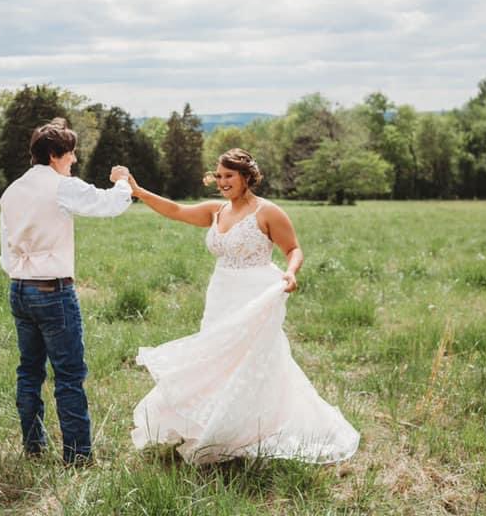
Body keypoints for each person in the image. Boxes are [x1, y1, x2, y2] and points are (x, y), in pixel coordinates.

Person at [128, 148, 359, 464]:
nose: (222, 182)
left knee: (252, 362)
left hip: (256, 295)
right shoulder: (215, 210)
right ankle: (214, 425)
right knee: (215, 359)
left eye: (229, 176)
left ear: (246, 177)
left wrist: (291, 273)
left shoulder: (268, 212)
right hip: (222, 293)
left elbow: (293, 249)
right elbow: (176, 210)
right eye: (219, 176)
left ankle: (253, 429)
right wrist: (138, 191)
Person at [0, 118, 133, 466]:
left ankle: (33, 446)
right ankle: (78, 458)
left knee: (29, 372)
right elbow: (108, 205)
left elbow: (6, 252)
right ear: (56, 154)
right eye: (71, 153)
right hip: (53, 291)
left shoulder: (11, 191)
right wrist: (122, 183)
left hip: (19, 289)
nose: (74, 160)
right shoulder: (62, 186)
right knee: (70, 376)